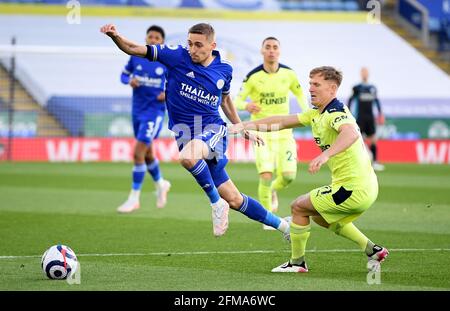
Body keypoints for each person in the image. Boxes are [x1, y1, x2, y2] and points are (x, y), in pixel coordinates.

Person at [100, 23, 290, 239]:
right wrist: (115, 36)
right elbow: (135, 49)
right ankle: (285, 227)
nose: (193, 49)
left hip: (212, 129)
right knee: (235, 199)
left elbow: (225, 100)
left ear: (212, 45)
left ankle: (216, 204)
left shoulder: (224, 69)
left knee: (188, 158)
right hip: (186, 135)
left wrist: (241, 127)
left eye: (198, 45)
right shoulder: (176, 56)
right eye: (190, 43)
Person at [230, 66, 388, 272]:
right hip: (363, 186)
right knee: (320, 217)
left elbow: (350, 134)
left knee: (298, 207)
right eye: (310, 83)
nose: (310, 88)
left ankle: (297, 263)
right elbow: (282, 121)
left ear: (332, 89)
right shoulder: (316, 113)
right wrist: (247, 125)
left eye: (316, 84)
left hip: (352, 189)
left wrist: (325, 155)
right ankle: (372, 250)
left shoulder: (335, 112)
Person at [234, 37, 308, 230]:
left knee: (289, 176)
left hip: (284, 132)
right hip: (262, 132)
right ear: (262, 51)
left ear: (279, 51)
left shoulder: (289, 74)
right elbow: (236, 101)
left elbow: (300, 94)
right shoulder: (253, 76)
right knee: (266, 174)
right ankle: (268, 218)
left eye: (275, 47)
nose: (271, 51)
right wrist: (246, 105)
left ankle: (273, 190)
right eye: (268, 47)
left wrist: (308, 113)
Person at [117, 25, 171, 213]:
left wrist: (168, 93)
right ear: (146, 39)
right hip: (137, 111)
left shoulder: (165, 62)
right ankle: (161, 184)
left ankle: (134, 198)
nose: (153, 40)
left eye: (157, 38)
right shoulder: (136, 57)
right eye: (150, 37)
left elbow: (178, 84)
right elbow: (123, 75)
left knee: (138, 153)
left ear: (162, 42)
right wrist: (129, 80)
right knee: (147, 154)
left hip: (154, 113)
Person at [347, 67, 385, 171]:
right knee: (357, 140)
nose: (364, 74)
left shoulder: (373, 88)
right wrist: (348, 112)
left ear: (368, 74)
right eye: (363, 72)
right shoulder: (357, 87)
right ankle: (357, 162)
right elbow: (351, 100)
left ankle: (375, 162)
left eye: (366, 72)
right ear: (361, 74)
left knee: (373, 139)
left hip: (370, 118)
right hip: (360, 118)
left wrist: (380, 114)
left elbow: (376, 101)